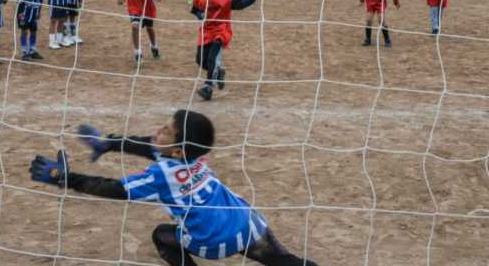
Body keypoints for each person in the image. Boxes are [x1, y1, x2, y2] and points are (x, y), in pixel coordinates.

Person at [29, 110, 319, 266]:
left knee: (162, 235)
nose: (159, 131)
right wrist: (110, 142)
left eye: (166, 131)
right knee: (285, 262)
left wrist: (65, 177)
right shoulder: (195, 155)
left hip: (212, 241)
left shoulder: (162, 174)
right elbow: (149, 145)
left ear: (178, 150)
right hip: (246, 222)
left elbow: (115, 188)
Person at [190, 0, 256, 101]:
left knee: (211, 58)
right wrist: (199, 16)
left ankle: (208, 87)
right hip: (206, 31)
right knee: (200, 60)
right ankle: (218, 72)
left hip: (221, 30)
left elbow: (240, 3)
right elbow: (195, 10)